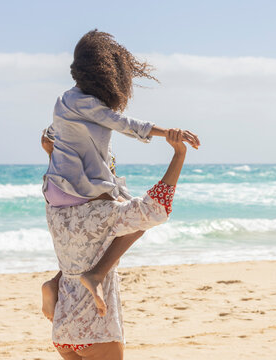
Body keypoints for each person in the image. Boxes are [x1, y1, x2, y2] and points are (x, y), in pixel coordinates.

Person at [40, 29, 200, 322]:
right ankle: (97, 274)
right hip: (78, 192)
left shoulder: (67, 101)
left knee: (104, 225)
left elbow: (52, 133)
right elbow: (121, 122)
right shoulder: (84, 102)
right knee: (146, 215)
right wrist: (169, 134)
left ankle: (56, 282)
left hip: (57, 195)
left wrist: (49, 141)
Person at [48, 129, 187, 360]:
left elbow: (60, 171)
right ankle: (89, 276)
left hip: (63, 325)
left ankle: (54, 281)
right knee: (137, 223)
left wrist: (52, 153)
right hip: (96, 326)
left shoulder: (55, 210)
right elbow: (156, 209)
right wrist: (179, 155)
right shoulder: (107, 213)